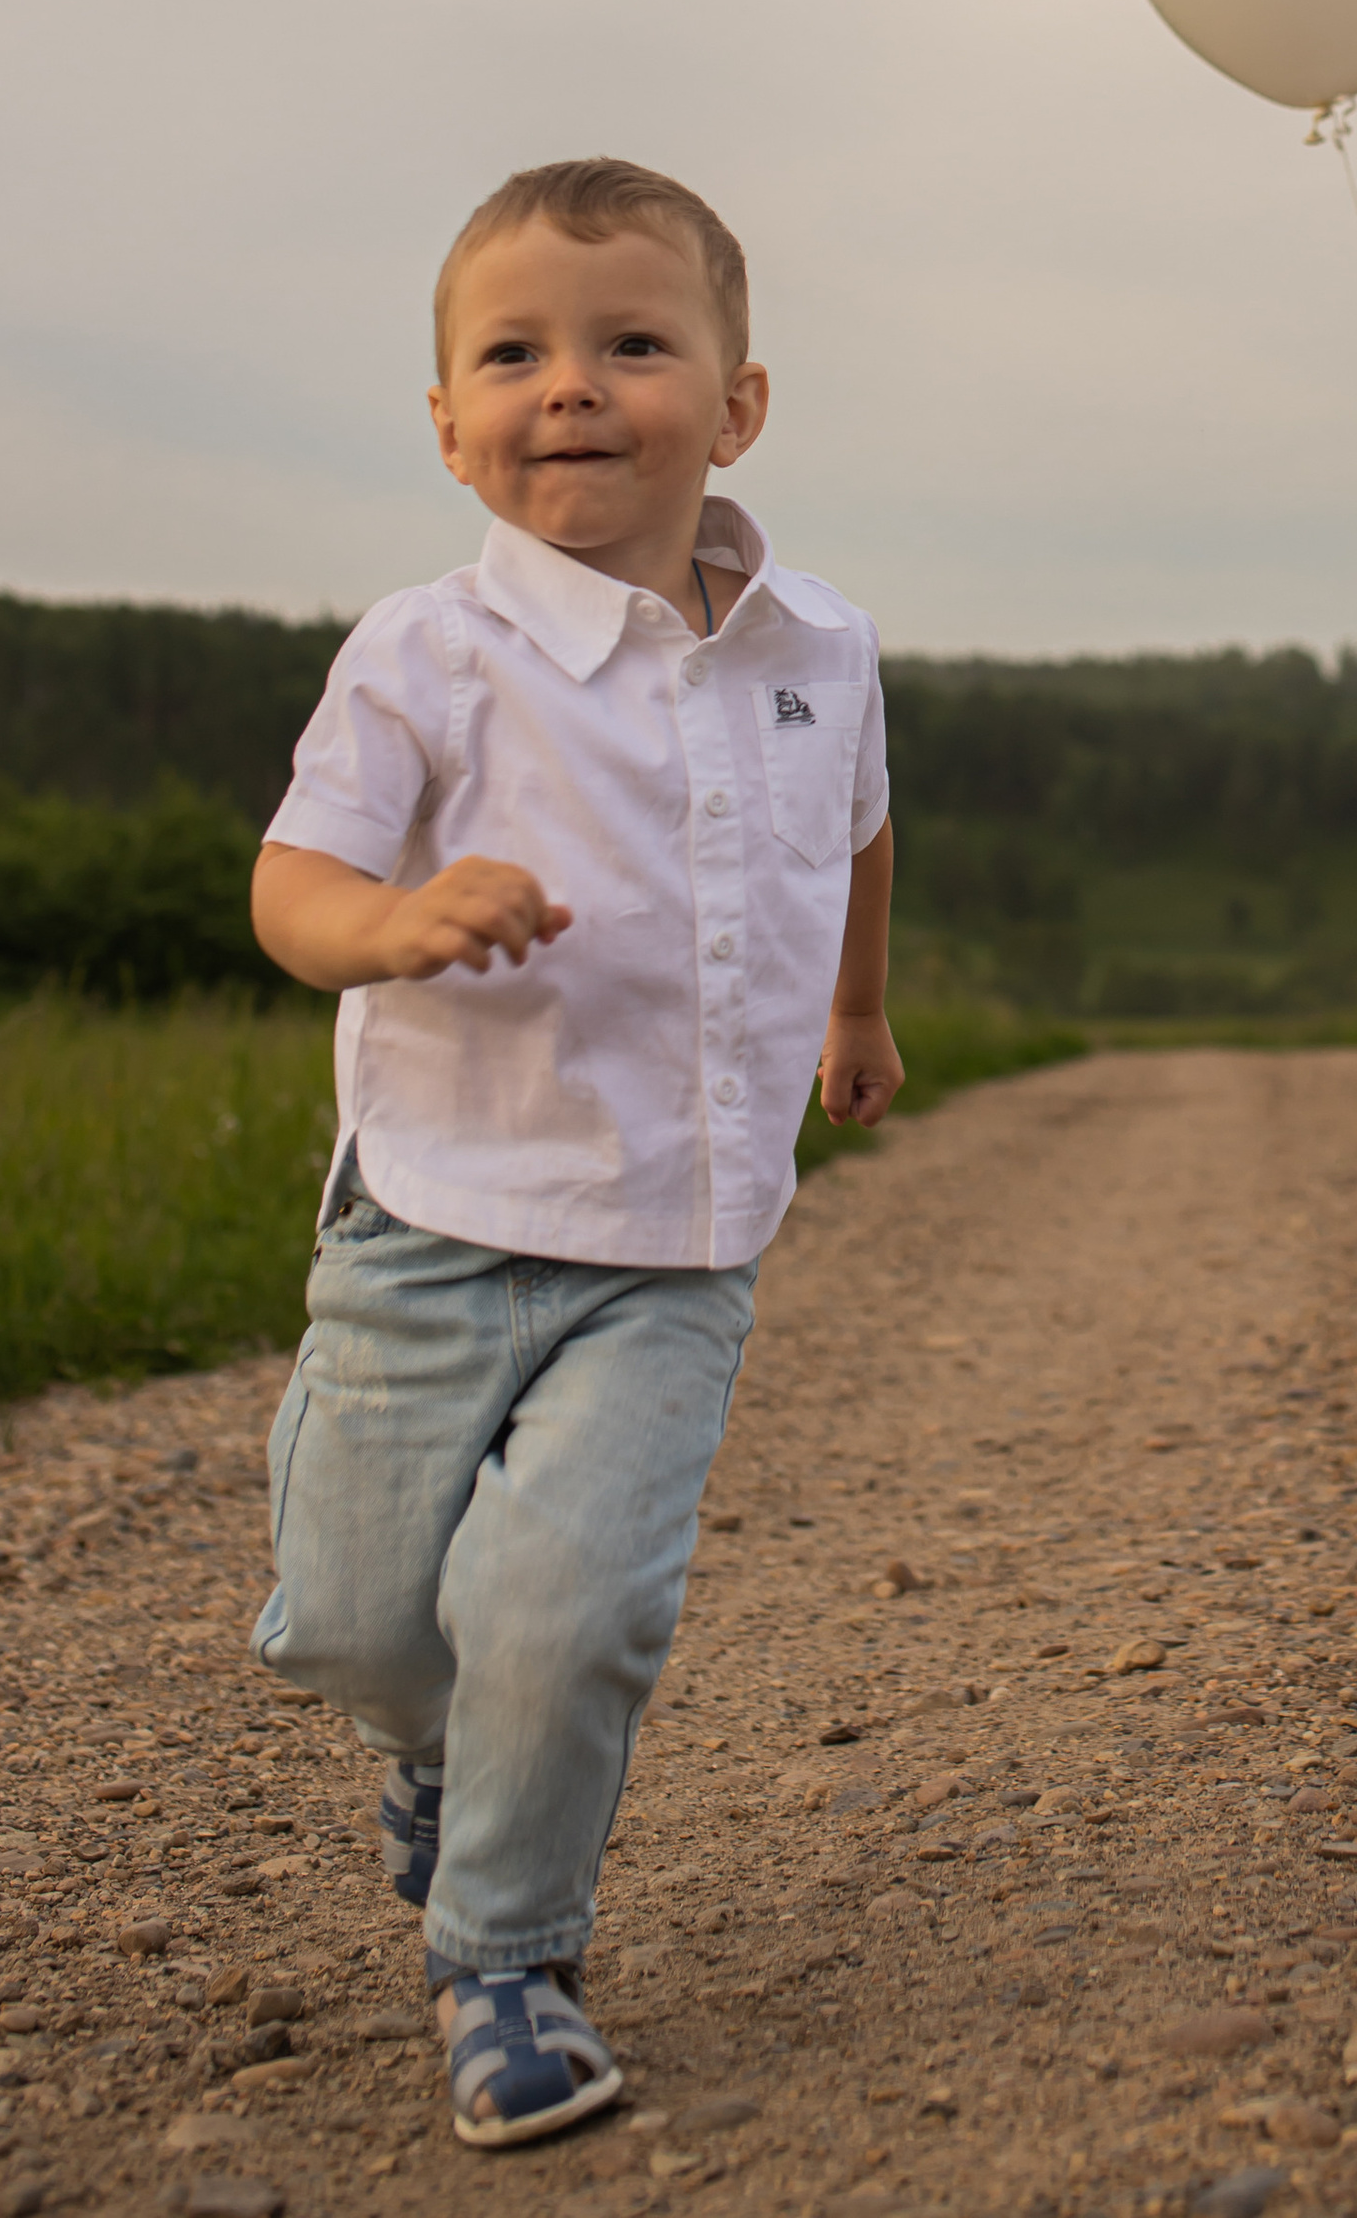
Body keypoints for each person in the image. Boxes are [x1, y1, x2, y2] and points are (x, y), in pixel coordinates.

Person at [249, 157, 899, 2149]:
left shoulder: (817, 647)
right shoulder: (426, 654)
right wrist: (399, 925)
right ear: (447, 425)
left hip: (676, 1235)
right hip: (432, 1223)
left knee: (562, 1610)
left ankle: (504, 1960)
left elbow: (860, 825)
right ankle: (445, 1762)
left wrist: (853, 1010)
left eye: (632, 343)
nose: (574, 387)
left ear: (738, 401)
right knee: (359, 1620)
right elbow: (295, 884)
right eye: (514, 354)